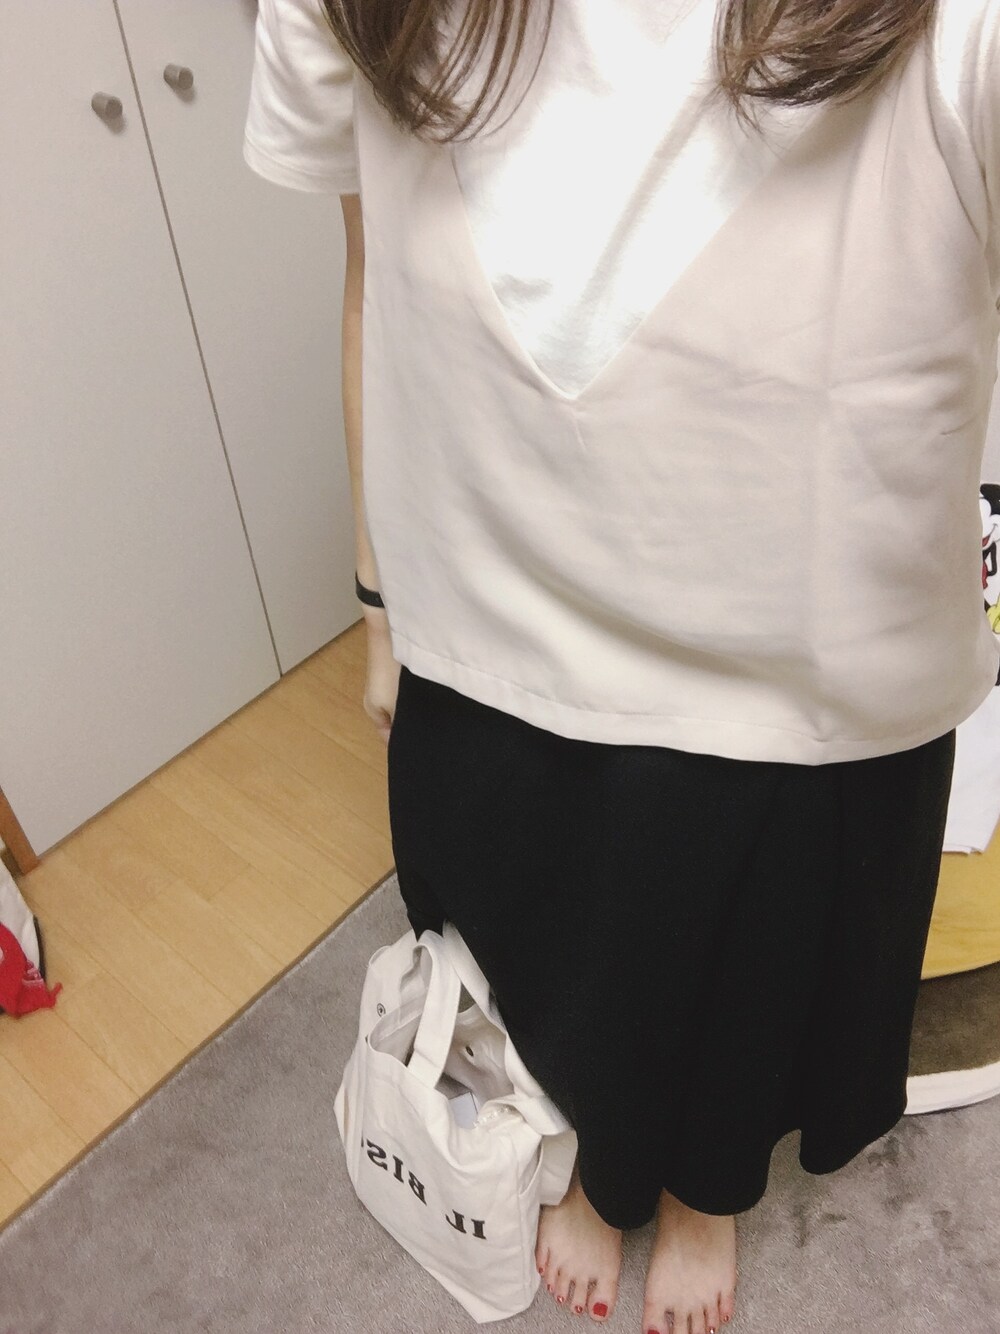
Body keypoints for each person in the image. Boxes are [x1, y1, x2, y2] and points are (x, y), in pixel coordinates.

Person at [242, 2, 1000, 1331]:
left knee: (755, 986)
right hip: (491, 634)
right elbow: (373, 287)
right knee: (559, 980)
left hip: (803, 683)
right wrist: (378, 606)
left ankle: (707, 1193)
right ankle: (602, 1167)